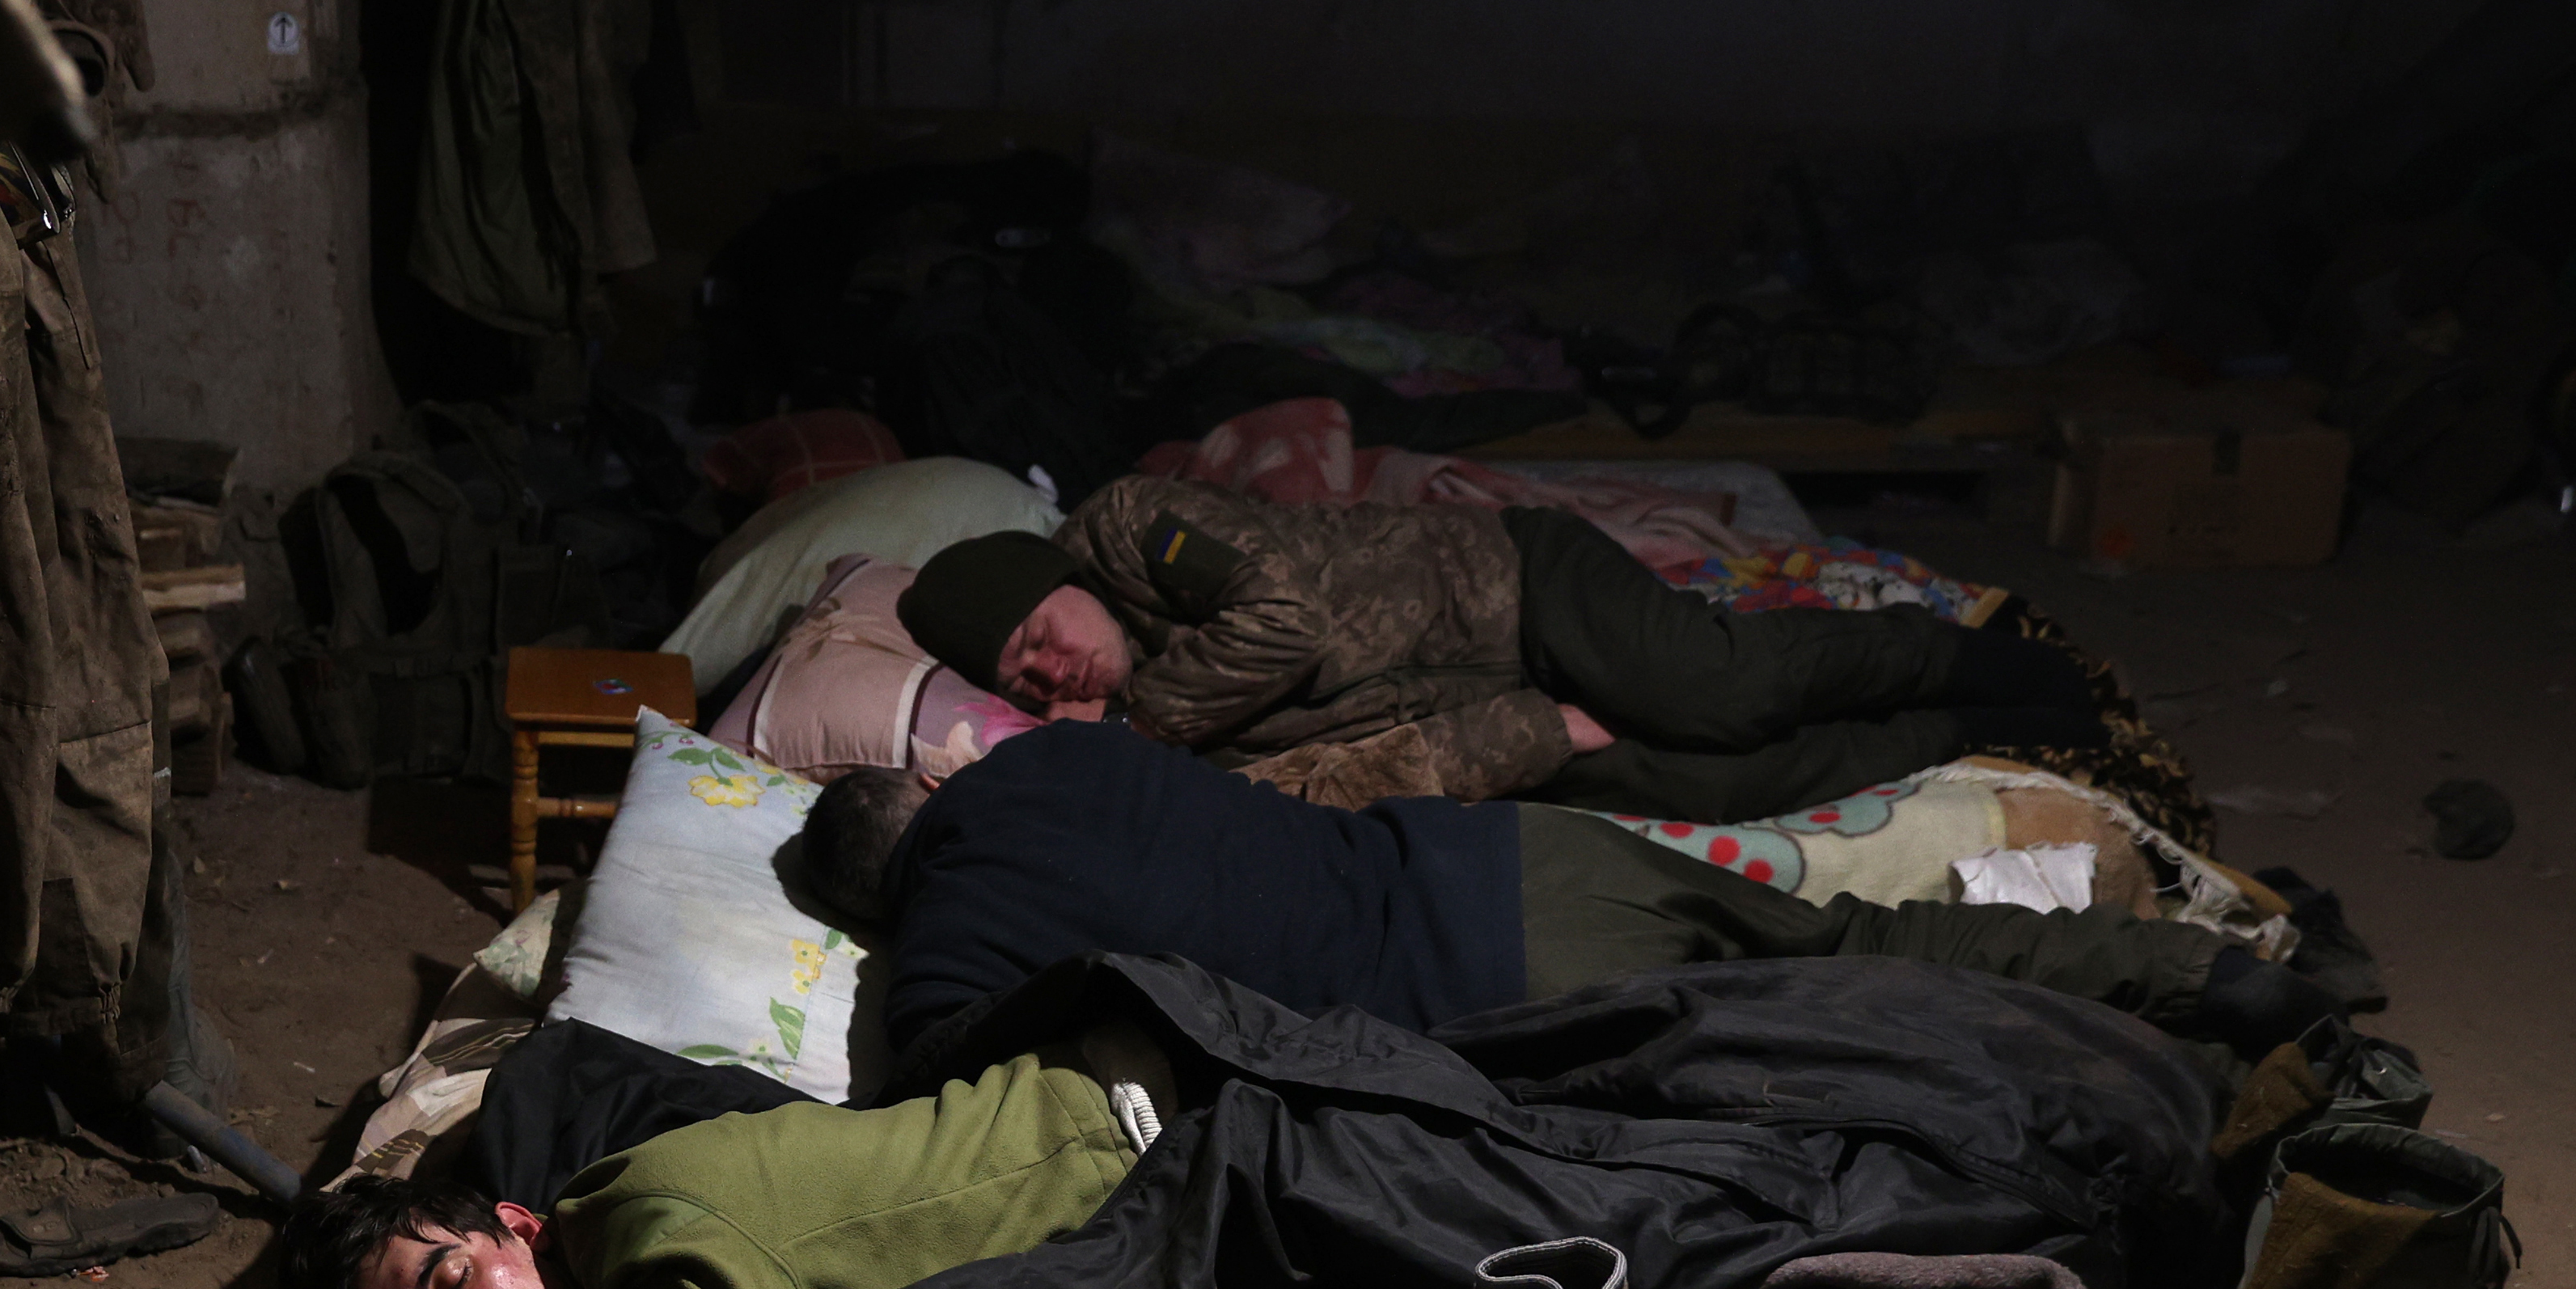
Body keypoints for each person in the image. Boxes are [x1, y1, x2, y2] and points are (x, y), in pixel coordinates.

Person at [793, 721, 2340, 1075]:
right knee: (1870, 931)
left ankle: (2180, 1052)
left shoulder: (945, 935)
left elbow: (936, 1066)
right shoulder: (1057, 755)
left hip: (1501, 985)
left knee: (1872, 1024)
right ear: (926, 787)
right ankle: (2209, 977)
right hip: (1507, 851)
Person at [895, 478, 2109, 820]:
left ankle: (1985, 663)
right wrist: (1523, 732)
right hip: (1492, 694)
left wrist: (1142, 722)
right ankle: (1972, 732)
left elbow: (1289, 623)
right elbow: (1320, 779)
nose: (1053, 675)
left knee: (1714, 692)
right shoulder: (1154, 736)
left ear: (1061, 582)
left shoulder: (1128, 526)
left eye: (1041, 639)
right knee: (1705, 783)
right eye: (1023, 682)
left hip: (1516, 586)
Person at [275, 1045, 1157, 1289]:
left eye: (452, 1280)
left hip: (1125, 1154)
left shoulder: (645, 1226)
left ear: (518, 1225)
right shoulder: (604, 1288)